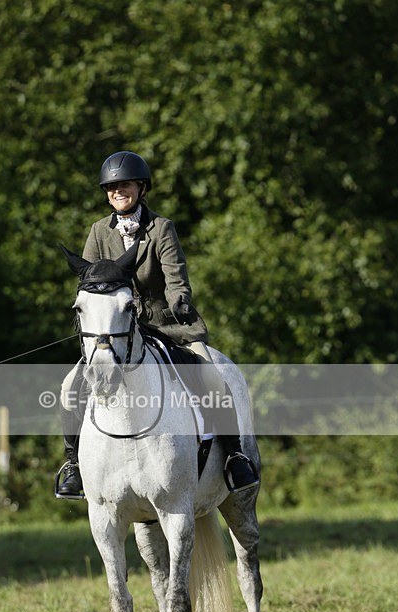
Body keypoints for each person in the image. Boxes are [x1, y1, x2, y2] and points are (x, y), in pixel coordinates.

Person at [56, 150, 259, 497]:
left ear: (141, 187)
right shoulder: (98, 231)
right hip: (117, 333)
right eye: (112, 187)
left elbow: (175, 277)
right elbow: (90, 279)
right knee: (69, 386)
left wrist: (180, 300)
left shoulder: (161, 229)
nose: (118, 191)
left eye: (125, 185)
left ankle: (234, 455)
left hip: (167, 324)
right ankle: (74, 464)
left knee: (210, 371)